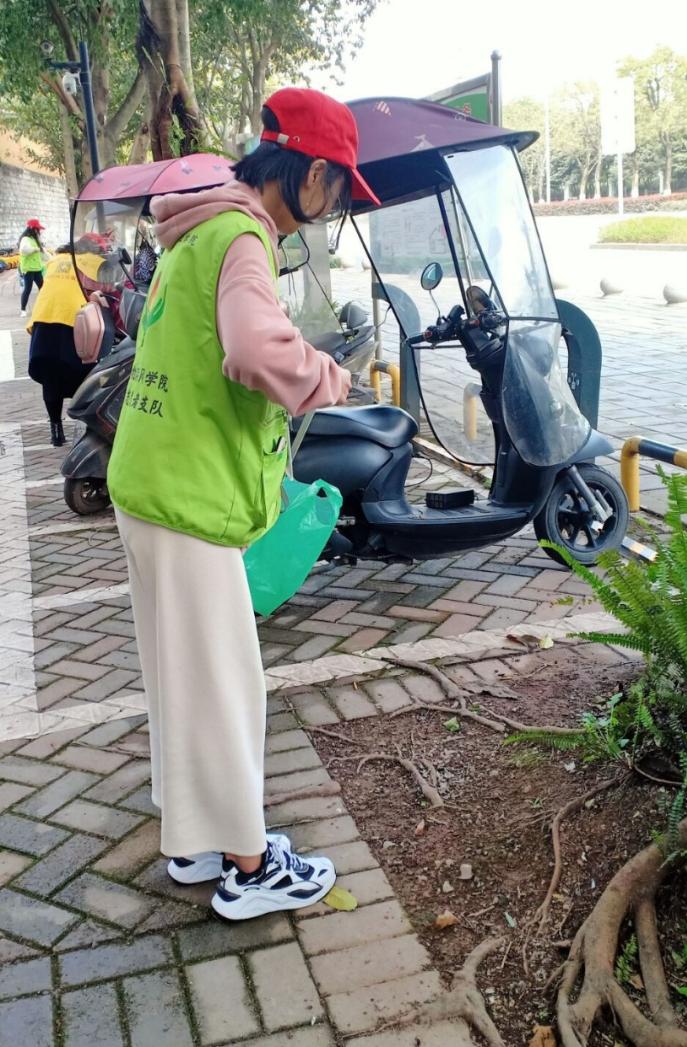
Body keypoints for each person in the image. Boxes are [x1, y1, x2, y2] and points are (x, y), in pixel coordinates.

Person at [106, 86, 378, 922]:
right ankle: (249, 865)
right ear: (310, 174)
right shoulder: (244, 237)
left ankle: (196, 838)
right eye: (338, 187)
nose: (335, 206)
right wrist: (329, 377)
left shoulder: (197, 228)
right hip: (187, 495)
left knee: (182, 677)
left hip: (148, 481)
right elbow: (255, 348)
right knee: (227, 684)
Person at [26, 239, 105, 446]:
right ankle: (90, 425)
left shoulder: (55, 260)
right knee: (86, 375)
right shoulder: (88, 261)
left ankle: (56, 430)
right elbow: (102, 291)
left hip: (44, 321)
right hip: (73, 321)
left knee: (50, 375)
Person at [19, 219, 47, 316]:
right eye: (38, 229)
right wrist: (35, 249)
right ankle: (23, 310)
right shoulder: (25, 239)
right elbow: (23, 250)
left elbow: (43, 253)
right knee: (28, 289)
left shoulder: (35, 240)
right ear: (33, 229)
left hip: (37, 268)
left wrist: (53, 259)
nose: (39, 231)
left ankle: (44, 307)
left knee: (43, 288)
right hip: (28, 269)